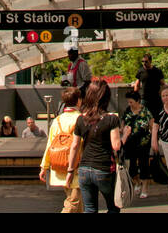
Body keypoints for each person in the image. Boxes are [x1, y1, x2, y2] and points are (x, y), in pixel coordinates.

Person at [68, 78, 122, 213]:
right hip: (104, 168)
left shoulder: (81, 119)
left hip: (84, 169)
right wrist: (125, 134)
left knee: (90, 209)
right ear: (106, 97)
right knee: (113, 207)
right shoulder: (111, 119)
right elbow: (116, 146)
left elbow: (74, 146)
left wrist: (70, 170)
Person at [38, 87, 81, 210]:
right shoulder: (81, 119)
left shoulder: (57, 120)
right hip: (76, 167)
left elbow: (50, 144)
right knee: (73, 202)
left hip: (60, 165)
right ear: (78, 101)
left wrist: (44, 166)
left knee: (77, 203)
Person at [119, 90, 155, 200]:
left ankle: (144, 187)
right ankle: (137, 182)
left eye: (131, 102)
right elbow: (122, 126)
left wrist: (154, 140)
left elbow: (152, 126)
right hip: (130, 142)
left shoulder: (146, 112)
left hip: (143, 142)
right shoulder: (127, 112)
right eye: (128, 102)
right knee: (132, 167)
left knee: (144, 165)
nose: (130, 104)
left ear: (137, 101)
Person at [133, 53, 165, 117]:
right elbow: (137, 84)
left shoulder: (157, 71)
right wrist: (135, 96)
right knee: (143, 117)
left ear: (150, 61)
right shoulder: (140, 71)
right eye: (143, 61)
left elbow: (162, 84)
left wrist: (162, 94)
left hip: (156, 98)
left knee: (157, 116)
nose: (144, 63)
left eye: (146, 61)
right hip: (145, 98)